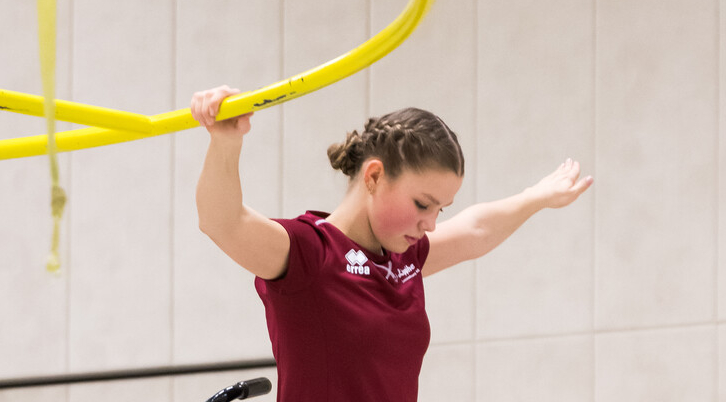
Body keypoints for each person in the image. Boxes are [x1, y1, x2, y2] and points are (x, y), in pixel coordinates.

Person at [190, 85, 593, 402]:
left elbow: (476, 230)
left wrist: (536, 196)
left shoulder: (404, 261)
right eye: (422, 204)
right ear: (374, 177)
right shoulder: (309, 255)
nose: (431, 225)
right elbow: (222, 221)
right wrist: (226, 141)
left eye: (440, 209)